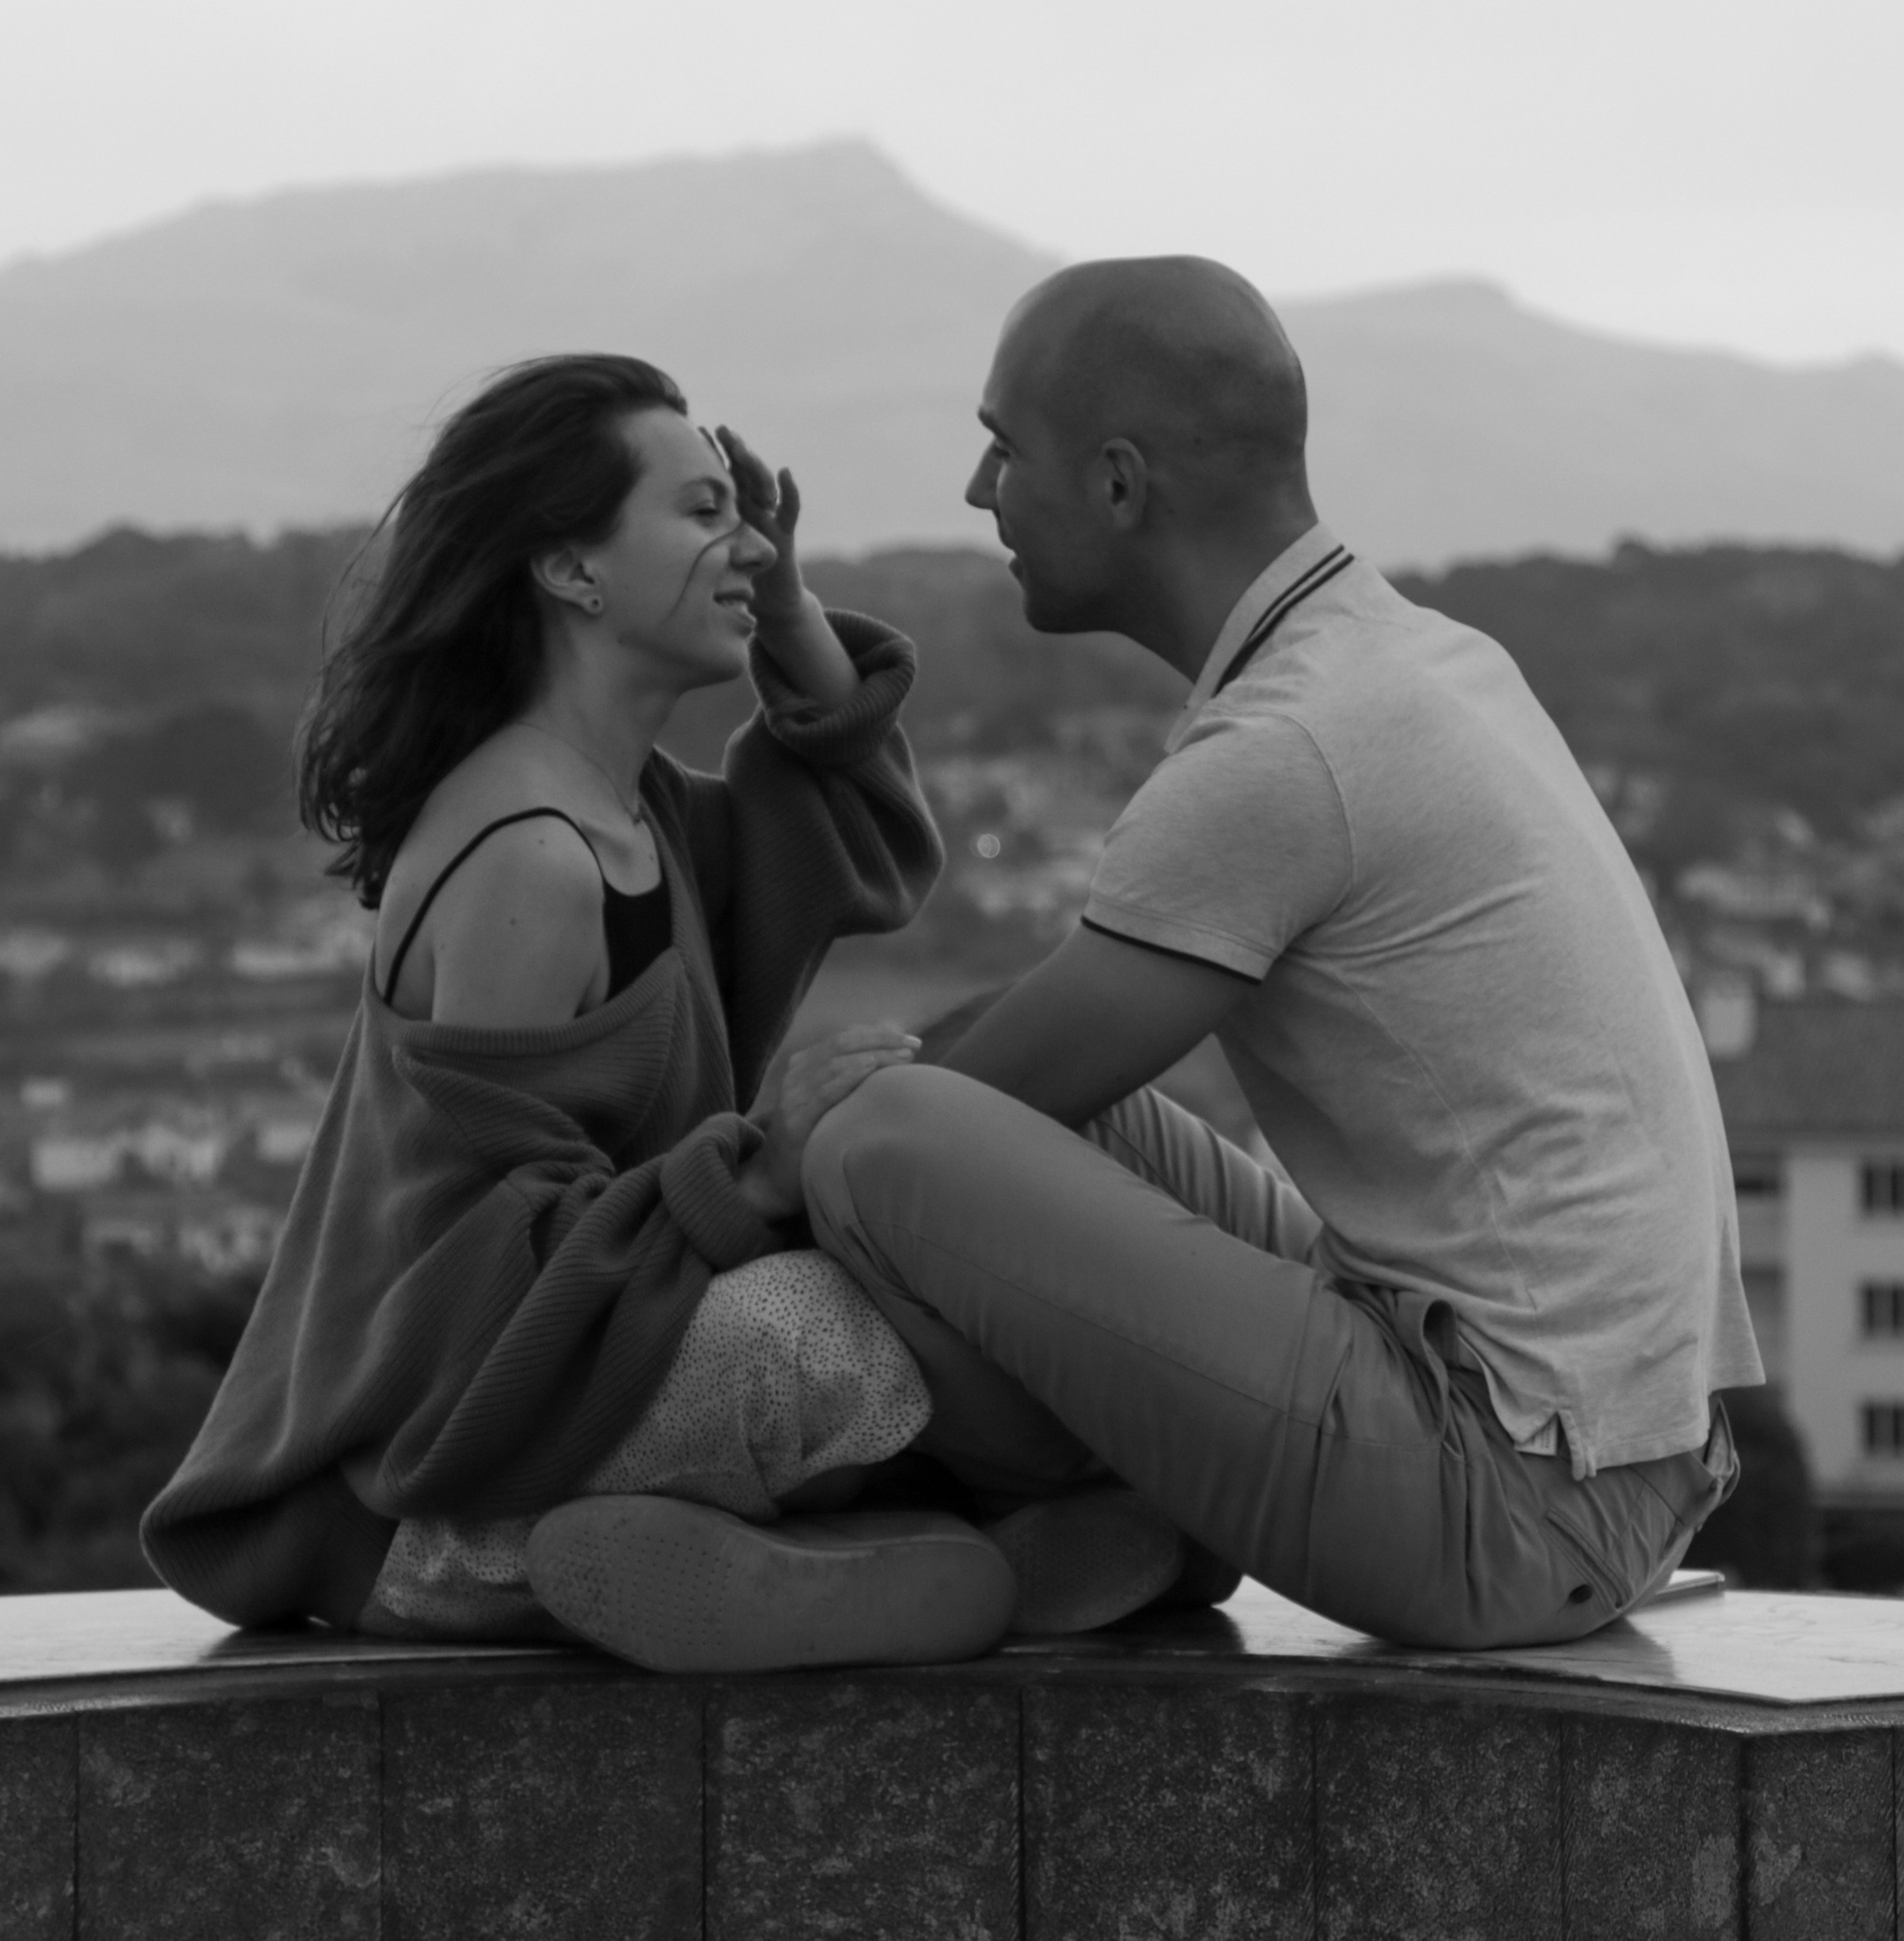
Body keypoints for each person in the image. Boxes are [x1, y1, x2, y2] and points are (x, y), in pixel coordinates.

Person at [797, 257, 1764, 1649]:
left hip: (1510, 1495)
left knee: (877, 1140)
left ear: (1121, 484)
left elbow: (962, 1104)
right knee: (1083, 1123)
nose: (976, 495)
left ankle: (1029, 1516)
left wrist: (740, 1162)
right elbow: (1040, 1071)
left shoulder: (1290, 746)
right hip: (1618, 1454)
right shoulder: (1414, 657)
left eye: (1004, 450)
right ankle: (1111, 1525)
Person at [140, 353, 1018, 1670]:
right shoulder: (529, 857)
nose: (749, 544)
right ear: (570, 569)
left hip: (587, 1373)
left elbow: (849, 838)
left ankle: (914, 1554)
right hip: (430, 1464)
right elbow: (506, 1269)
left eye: (748, 515)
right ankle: (503, 1568)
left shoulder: (632, 804)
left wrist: (784, 609)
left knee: (954, 1263)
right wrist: (765, 1162)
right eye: (704, 512)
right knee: (825, 1338)